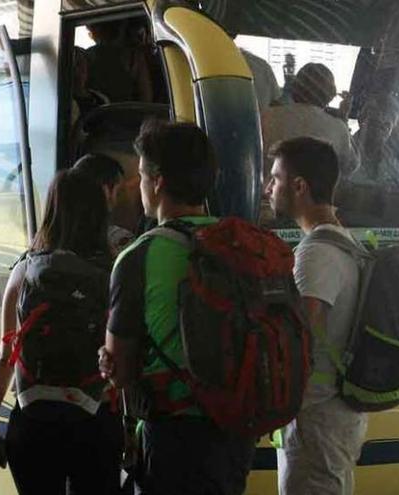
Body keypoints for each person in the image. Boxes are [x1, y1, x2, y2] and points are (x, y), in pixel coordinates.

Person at [99, 120, 256, 495]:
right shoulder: (241, 244)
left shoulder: (140, 255)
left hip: (175, 434)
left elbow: (119, 369)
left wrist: (107, 359)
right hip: (237, 429)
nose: (138, 187)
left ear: (158, 182)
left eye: (140, 176)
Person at [0, 169, 122, 495]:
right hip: (94, 421)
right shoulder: (113, 273)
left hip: (33, 422)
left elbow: (5, 356)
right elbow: (120, 358)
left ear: (52, 209)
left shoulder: (24, 270)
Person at [263, 137, 368, 495]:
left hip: (316, 420)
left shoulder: (317, 254)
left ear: (299, 186)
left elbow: (297, 337)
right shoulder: (345, 243)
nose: (268, 188)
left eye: (275, 179)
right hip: (330, 416)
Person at [261, 63, 360, 178]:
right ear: (330, 95)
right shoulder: (337, 128)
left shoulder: (267, 116)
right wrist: (343, 119)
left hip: (265, 193)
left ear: (294, 88)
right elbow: (351, 166)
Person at [73, 153, 136, 255]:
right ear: (106, 191)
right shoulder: (121, 242)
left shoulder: (49, 240)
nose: (118, 201)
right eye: (120, 191)